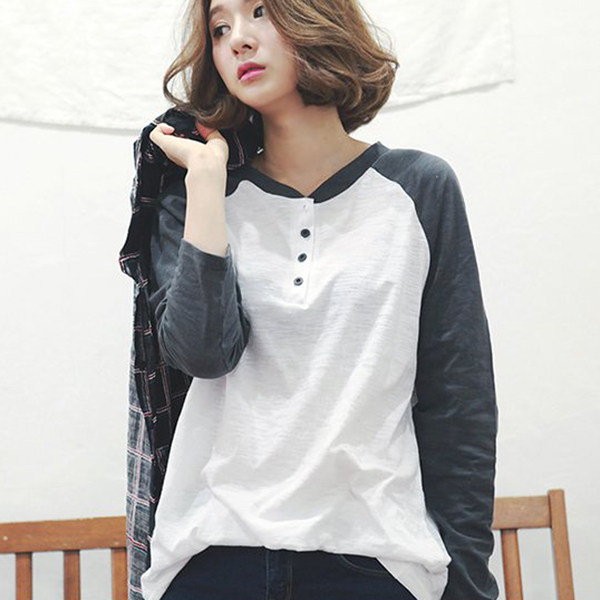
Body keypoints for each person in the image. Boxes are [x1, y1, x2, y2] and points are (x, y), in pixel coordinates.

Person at [131, 0, 499, 599]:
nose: (238, 40)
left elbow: (458, 403)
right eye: (219, 28)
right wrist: (205, 183)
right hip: (213, 558)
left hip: (374, 561)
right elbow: (203, 355)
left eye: (259, 12)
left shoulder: (418, 189)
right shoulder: (197, 197)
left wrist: (467, 584)